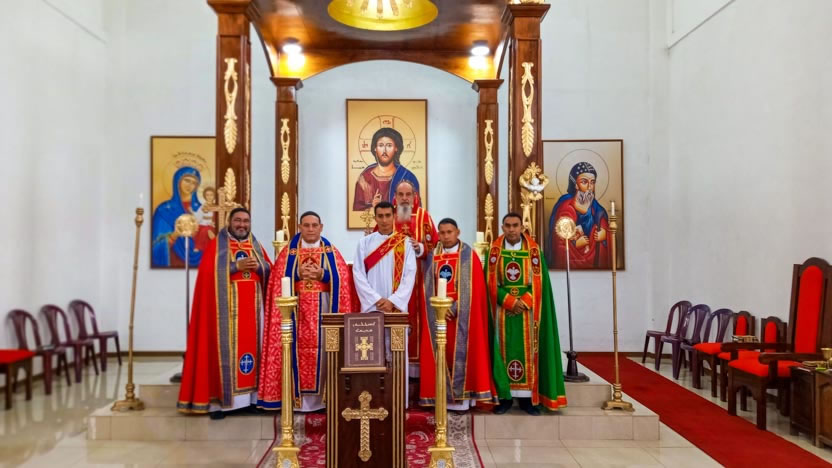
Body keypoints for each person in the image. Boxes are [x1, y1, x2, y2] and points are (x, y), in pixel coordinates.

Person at [177, 207, 271, 419]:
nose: (242, 225)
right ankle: (221, 403)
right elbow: (208, 274)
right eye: (238, 220)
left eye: (246, 221)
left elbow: (268, 270)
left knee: (254, 353)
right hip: (225, 314)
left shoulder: (255, 245)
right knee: (224, 354)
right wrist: (236, 266)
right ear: (229, 222)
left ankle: (251, 400)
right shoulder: (217, 246)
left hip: (254, 314)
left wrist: (260, 267)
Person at [257, 211, 353, 412]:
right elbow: (277, 281)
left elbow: (343, 280)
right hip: (296, 312)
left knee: (324, 352)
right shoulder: (288, 253)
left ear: (321, 227)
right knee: (295, 351)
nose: (310, 229)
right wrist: (296, 273)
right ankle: (295, 400)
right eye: (306, 225)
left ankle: (323, 400)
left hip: (324, 309)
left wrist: (323, 274)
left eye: (314, 225)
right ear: (299, 227)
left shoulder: (331, 252)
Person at [487, 213, 567, 415]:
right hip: (502, 312)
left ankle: (527, 400)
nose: (511, 229)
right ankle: (505, 398)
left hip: (529, 313)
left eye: (515, 225)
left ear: (522, 227)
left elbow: (541, 282)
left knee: (530, 353)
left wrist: (524, 302)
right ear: (502, 227)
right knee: (502, 352)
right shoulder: (494, 251)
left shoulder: (534, 251)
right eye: (507, 225)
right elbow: (489, 282)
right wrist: (509, 301)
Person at [419, 218, 496, 410]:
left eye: (449, 232)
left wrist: (454, 308)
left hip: (463, 318)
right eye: (442, 233)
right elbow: (427, 288)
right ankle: (440, 398)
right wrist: (439, 309)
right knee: (441, 354)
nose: (446, 236)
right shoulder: (433, 256)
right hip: (438, 316)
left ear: (457, 232)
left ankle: (463, 401)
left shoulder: (469, 256)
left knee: (464, 354)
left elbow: (476, 290)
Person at [386, 180, 437, 375]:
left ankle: (418, 372)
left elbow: (436, 246)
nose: (405, 198)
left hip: (419, 279)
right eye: (401, 194)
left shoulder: (424, 217)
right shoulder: (387, 217)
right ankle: (394, 367)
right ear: (395, 197)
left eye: (408, 194)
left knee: (418, 318)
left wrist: (421, 247)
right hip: (391, 280)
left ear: (415, 196)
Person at [546, 162, 610, 269]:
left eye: (592, 182)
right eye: (584, 182)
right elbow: (559, 241)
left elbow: (605, 226)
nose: (589, 187)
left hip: (593, 263)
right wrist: (575, 244)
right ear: (575, 184)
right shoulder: (566, 207)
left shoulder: (596, 207)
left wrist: (605, 235)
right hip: (571, 260)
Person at [352, 127, 421, 211]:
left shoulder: (407, 177)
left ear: (396, 148)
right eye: (381, 145)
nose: (384, 151)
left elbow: (416, 211)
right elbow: (356, 213)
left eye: (389, 145)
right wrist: (373, 207)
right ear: (375, 148)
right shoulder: (365, 178)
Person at [151, 166, 203, 267]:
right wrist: (175, 235)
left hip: (200, 264)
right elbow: (156, 245)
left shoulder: (202, 210)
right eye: (187, 180)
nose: (190, 185)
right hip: (173, 262)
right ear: (177, 181)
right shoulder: (164, 209)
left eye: (194, 183)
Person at [193, 187, 217, 252]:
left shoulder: (217, 207)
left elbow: (218, 217)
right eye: (207, 195)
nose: (209, 197)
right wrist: (202, 211)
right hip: (203, 225)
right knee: (205, 230)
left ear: (214, 196)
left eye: (211, 195)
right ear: (205, 196)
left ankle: (215, 245)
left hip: (214, 226)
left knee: (208, 230)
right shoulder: (202, 207)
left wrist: (214, 223)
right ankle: (199, 247)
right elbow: (198, 220)